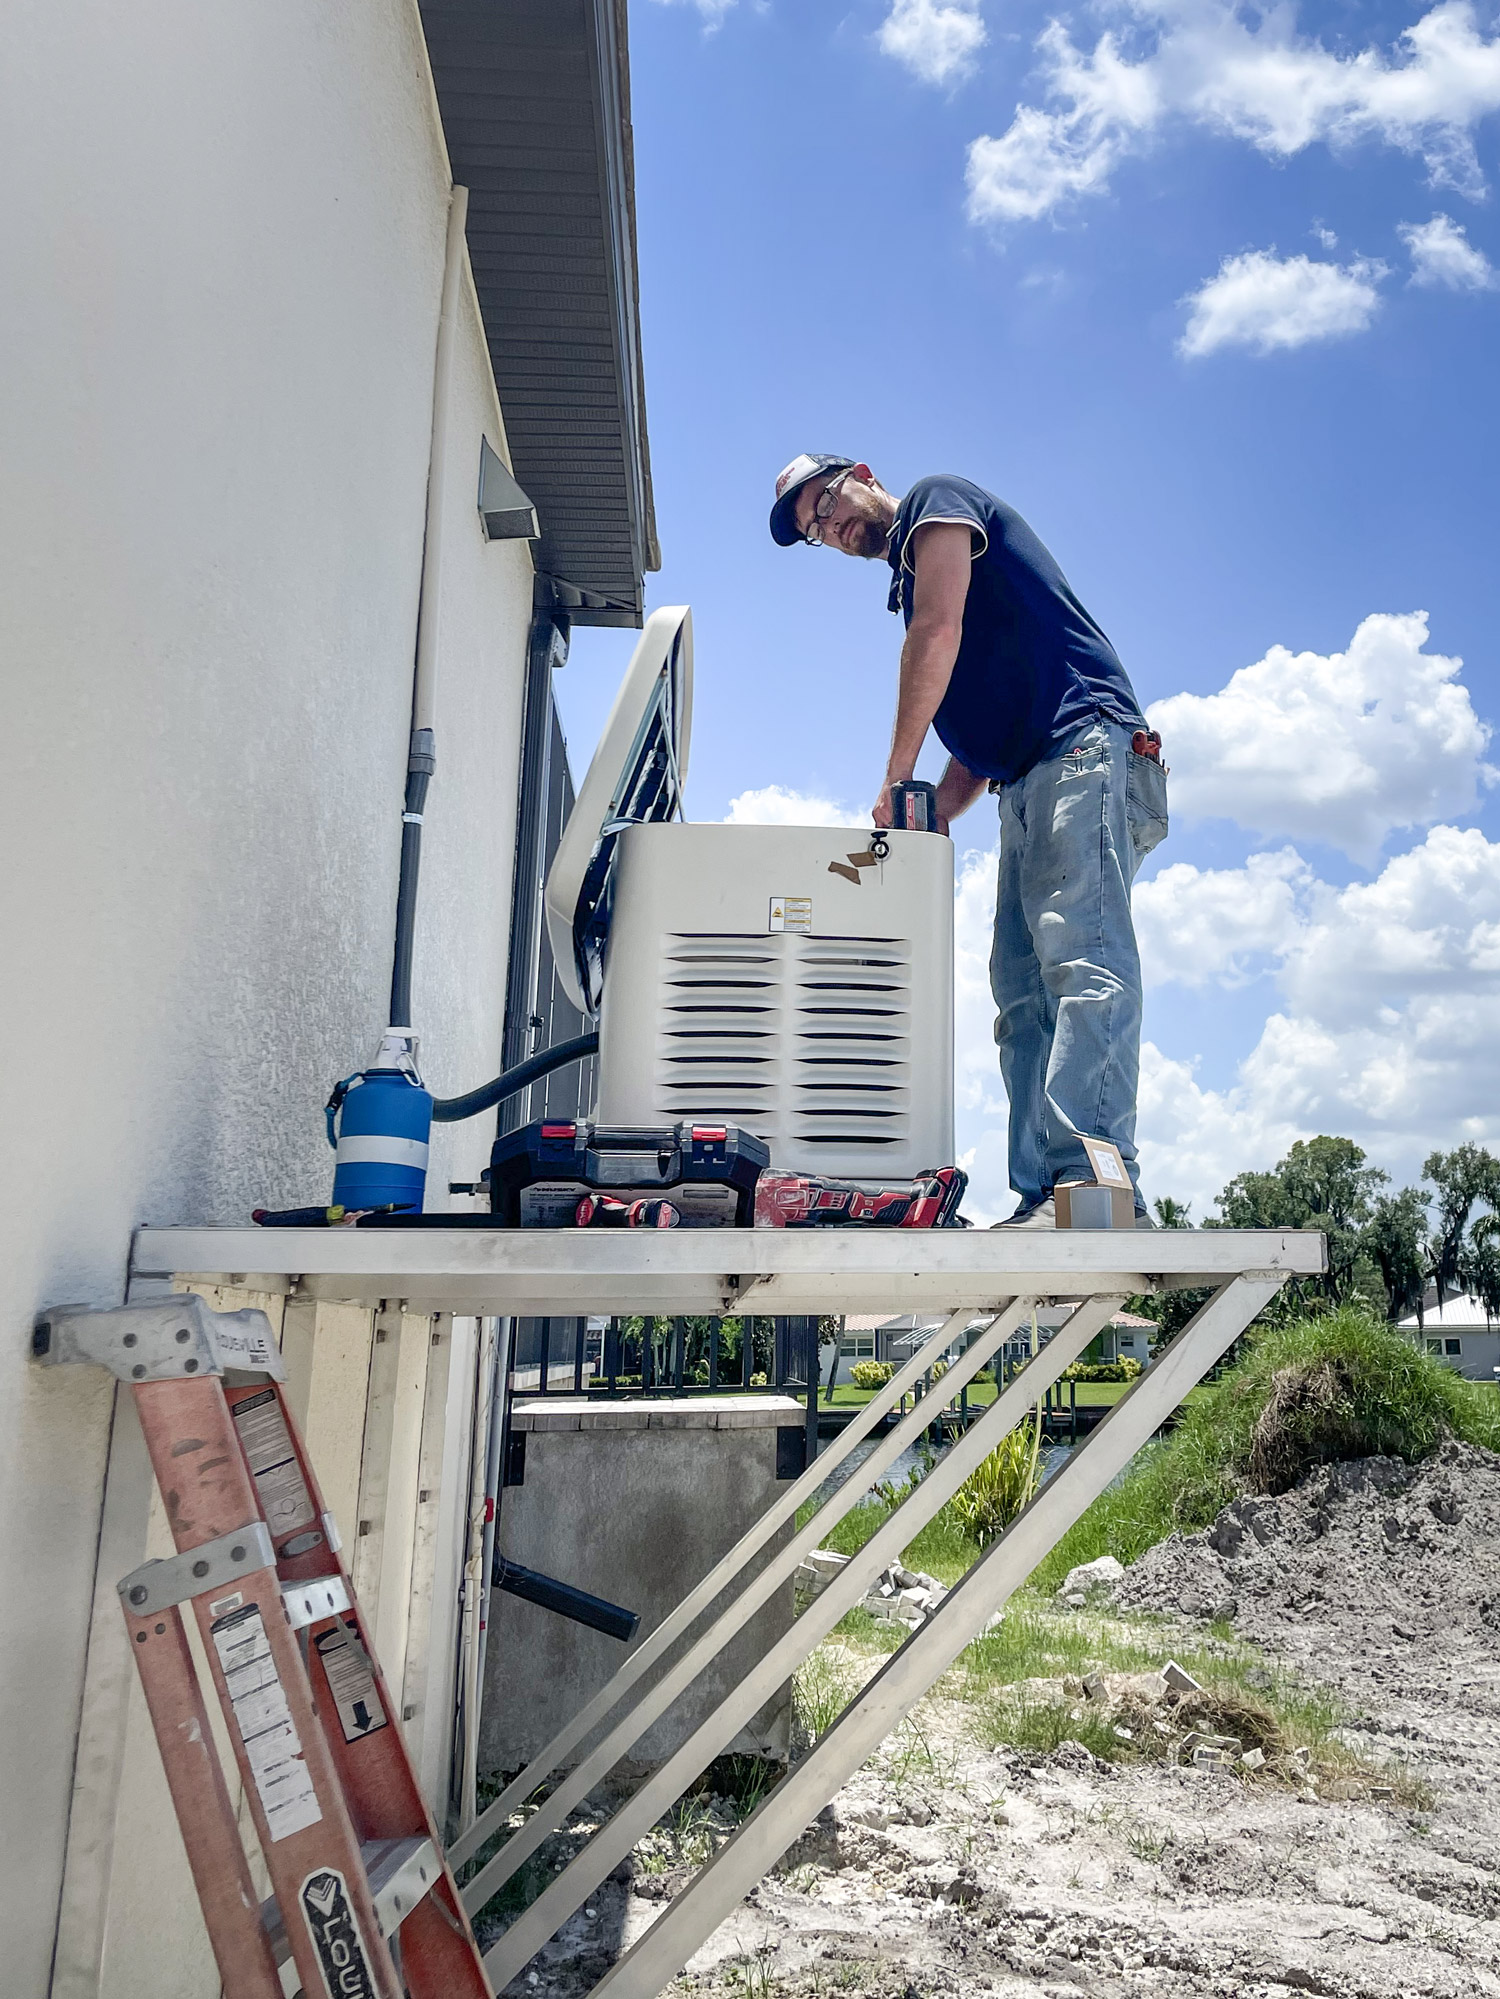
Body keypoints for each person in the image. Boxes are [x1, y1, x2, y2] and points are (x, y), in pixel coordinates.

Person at [768, 454, 1168, 1229]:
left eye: (825, 501)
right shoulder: (907, 576)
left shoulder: (936, 501)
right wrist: (939, 811)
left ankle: (1100, 1188)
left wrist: (894, 775)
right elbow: (984, 729)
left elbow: (938, 631)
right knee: (1021, 994)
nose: (830, 526)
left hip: (1086, 747)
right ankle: (1046, 1197)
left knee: (1082, 958)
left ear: (861, 472)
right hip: (1028, 775)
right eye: (815, 530)